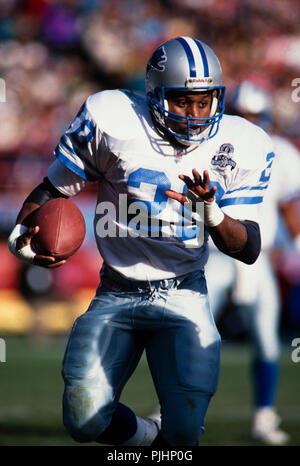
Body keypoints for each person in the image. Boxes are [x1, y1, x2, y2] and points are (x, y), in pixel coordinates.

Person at [8, 37, 273, 446]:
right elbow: (53, 191)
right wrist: (21, 238)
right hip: (117, 291)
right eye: (183, 101)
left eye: (204, 102)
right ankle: (148, 440)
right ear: (154, 95)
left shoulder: (241, 143)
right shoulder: (113, 119)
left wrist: (212, 215)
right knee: (84, 420)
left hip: (185, 292)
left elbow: (249, 248)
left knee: (183, 435)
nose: (195, 113)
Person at [205, 81, 300, 445]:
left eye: (253, 116)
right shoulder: (208, 146)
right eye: (241, 115)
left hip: (254, 259)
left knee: (265, 338)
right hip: (213, 255)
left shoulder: (282, 154)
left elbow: (288, 207)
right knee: (188, 331)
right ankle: (170, 407)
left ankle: (264, 414)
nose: (248, 122)